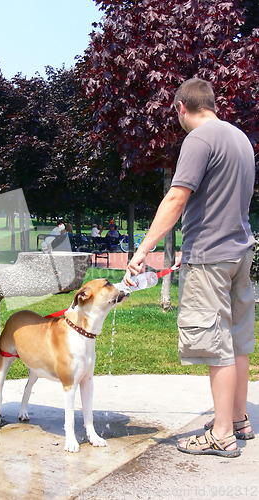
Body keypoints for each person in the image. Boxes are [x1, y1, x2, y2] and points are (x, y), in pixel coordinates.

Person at [123, 78, 255, 458]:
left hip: (211, 259)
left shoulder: (197, 140)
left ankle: (222, 434)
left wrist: (143, 249)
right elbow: (224, 202)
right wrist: (190, 246)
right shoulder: (240, 139)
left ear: (181, 107)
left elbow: (177, 197)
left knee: (215, 345)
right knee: (237, 339)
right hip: (238, 253)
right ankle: (240, 418)